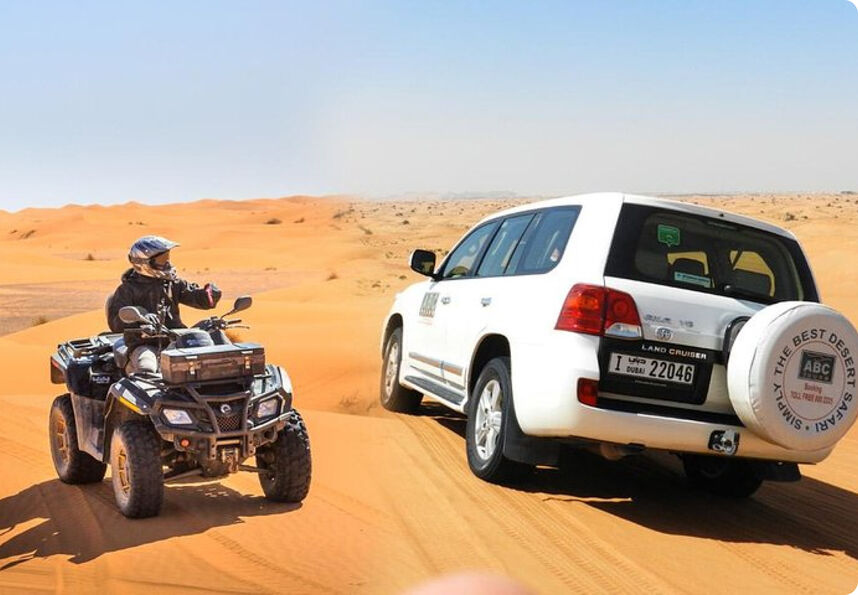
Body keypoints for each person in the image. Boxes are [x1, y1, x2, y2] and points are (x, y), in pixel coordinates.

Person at [107, 235, 222, 374]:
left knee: (215, 354)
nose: (167, 263)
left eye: (167, 258)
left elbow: (194, 296)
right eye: (162, 260)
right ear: (143, 262)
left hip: (177, 340)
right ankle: (141, 394)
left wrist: (208, 295)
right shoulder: (127, 290)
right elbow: (116, 322)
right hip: (144, 344)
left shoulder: (171, 283)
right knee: (147, 366)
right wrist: (141, 318)